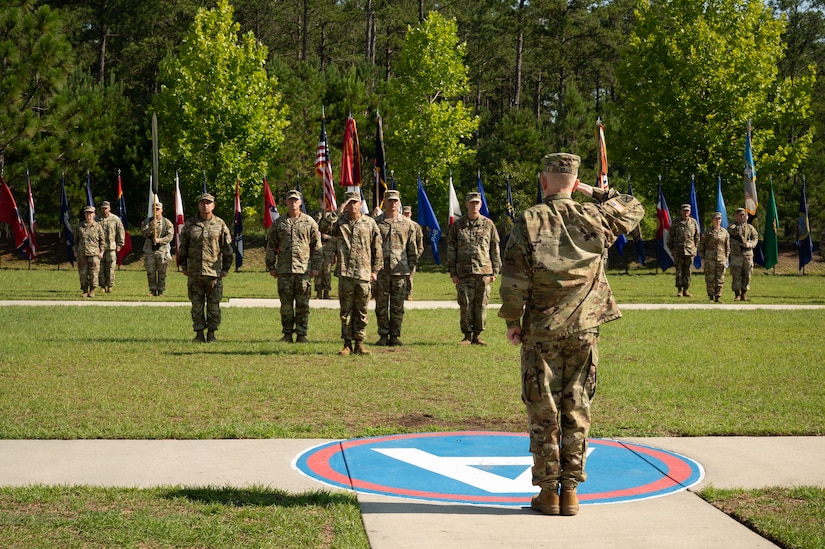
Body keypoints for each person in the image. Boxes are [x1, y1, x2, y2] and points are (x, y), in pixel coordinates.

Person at [499, 152, 644, 517]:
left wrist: (512, 320)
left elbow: (515, 276)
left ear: (544, 181)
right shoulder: (595, 216)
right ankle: (572, 493)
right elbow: (633, 207)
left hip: (541, 330)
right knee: (577, 406)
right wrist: (592, 190)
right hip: (584, 328)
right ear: (574, 182)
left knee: (543, 408)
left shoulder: (530, 219)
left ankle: (549, 493)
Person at [319, 190, 382, 356]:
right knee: (345, 311)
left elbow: (377, 249)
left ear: (360, 204)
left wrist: (375, 271)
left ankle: (360, 343)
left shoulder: (369, 223)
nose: (353, 206)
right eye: (349, 203)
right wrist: (336, 212)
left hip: (364, 273)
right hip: (346, 273)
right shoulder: (339, 223)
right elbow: (322, 227)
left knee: (362, 310)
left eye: (355, 202)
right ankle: (347, 344)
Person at [265, 189, 322, 343]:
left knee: (303, 305)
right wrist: (271, 266)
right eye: (290, 200)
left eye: (296, 200)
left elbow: (317, 247)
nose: (293, 203)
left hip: (303, 270)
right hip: (284, 270)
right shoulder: (279, 223)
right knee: (286, 306)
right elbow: (271, 246)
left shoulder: (310, 222)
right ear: (286, 202)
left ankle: (302, 334)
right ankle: (287, 334)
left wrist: (316, 267)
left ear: (300, 202)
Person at [446, 191, 501, 345]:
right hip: (463, 272)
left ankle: (478, 335)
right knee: (465, 304)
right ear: (466, 205)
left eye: (477, 203)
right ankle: (467, 335)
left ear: (480, 205)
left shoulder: (488, 224)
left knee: (481, 305)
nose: (474, 205)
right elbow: (451, 250)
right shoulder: (458, 225)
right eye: (472, 203)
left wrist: (495, 271)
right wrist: (453, 272)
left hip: (484, 272)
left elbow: (494, 248)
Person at [178, 193, 233, 343]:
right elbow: (183, 247)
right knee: (196, 305)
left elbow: (227, 249)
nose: (205, 205)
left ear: (213, 206)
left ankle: (212, 334)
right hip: (195, 272)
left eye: (208, 203)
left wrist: (225, 269)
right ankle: (199, 333)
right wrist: (183, 266)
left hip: (213, 272)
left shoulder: (220, 224)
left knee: (213, 306)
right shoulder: (190, 224)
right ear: (199, 205)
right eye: (203, 203)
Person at [374, 190, 419, 346]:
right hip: (381, 271)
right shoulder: (376, 222)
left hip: (400, 270)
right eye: (389, 201)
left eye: (395, 201)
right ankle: (383, 335)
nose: (392, 203)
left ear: (398, 203)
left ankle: (394, 335)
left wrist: (410, 269)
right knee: (381, 305)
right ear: (384, 202)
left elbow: (413, 249)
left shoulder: (407, 224)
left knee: (397, 305)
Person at [140, 201, 174, 297]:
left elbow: (170, 236)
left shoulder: (166, 222)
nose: (156, 211)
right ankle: (152, 289)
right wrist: (151, 227)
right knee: (150, 271)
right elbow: (143, 233)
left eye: (158, 209)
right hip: (149, 249)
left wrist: (160, 240)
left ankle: (161, 291)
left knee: (162, 271)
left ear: (162, 210)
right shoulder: (147, 221)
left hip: (161, 249)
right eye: (154, 209)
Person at [667, 203, 700, 297]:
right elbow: (670, 237)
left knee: (688, 271)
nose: (686, 212)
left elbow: (697, 237)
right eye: (684, 210)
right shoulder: (676, 222)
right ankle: (679, 290)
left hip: (690, 251)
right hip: (678, 250)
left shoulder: (693, 222)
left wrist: (695, 248)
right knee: (679, 271)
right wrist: (672, 249)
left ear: (690, 212)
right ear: (681, 211)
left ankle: (686, 289)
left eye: (687, 211)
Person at [698, 212, 731, 303]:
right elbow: (702, 246)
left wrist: (726, 257)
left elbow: (727, 246)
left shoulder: (725, 232)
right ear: (712, 220)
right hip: (709, 258)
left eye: (719, 219)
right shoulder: (708, 232)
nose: (718, 221)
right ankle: (711, 297)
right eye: (716, 219)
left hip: (721, 258)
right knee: (710, 278)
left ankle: (718, 296)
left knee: (720, 278)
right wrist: (703, 258)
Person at [74, 205, 105, 298]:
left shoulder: (98, 227)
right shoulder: (80, 227)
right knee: (83, 273)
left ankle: (92, 290)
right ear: (84, 214)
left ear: (94, 214)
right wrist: (75, 251)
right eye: (87, 213)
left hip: (94, 254)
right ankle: (84, 290)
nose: (89, 215)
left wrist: (102, 252)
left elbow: (102, 241)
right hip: (82, 253)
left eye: (91, 213)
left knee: (94, 273)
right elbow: (75, 241)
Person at [728, 207, 759, 301]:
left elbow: (755, 238)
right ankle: (737, 294)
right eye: (740, 215)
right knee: (736, 275)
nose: (742, 216)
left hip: (747, 255)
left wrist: (750, 244)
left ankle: (744, 293)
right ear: (736, 216)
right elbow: (733, 231)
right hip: (736, 255)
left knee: (747, 274)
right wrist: (741, 226)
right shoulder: (732, 226)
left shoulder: (750, 228)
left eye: (744, 215)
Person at [310, 198, 337, 300]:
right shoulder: (316, 214)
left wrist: (329, 237)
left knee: (327, 271)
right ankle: (318, 293)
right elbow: (313, 225)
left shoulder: (334, 218)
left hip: (328, 247)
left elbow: (338, 237)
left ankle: (326, 292)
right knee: (318, 270)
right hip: (318, 246)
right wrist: (321, 211)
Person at [96, 200, 125, 293]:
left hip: (111, 247)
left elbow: (121, 231)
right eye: (103, 208)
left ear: (109, 208)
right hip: (99, 249)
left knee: (111, 267)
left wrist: (120, 244)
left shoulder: (115, 219)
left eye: (106, 208)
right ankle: (102, 286)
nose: (104, 210)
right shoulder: (97, 219)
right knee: (100, 268)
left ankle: (110, 285)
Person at [402, 205, 423, 300]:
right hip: (400, 256)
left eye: (408, 213)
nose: (406, 215)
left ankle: (408, 294)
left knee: (410, 277)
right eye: (404, 213)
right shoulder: (399, 224)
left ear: (411, 214)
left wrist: (417, 255)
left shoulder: (416, 226)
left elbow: (420, 243)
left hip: (412, 255)